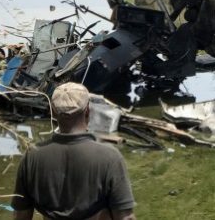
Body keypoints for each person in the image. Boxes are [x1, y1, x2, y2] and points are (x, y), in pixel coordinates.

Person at [11, 83, 136, 220]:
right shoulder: (110, 157)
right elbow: (125, 217)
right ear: (88, 111)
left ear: (53, 113)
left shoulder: (31, 157)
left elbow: (21, 216)